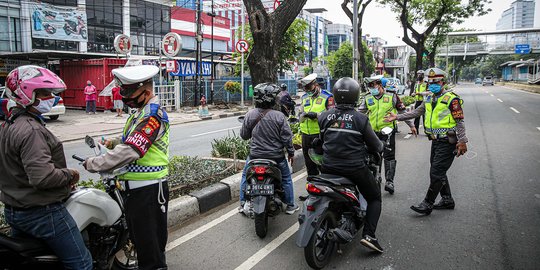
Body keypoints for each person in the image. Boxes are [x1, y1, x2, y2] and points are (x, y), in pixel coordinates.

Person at [0, 65, 93, 269]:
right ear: (26, 94)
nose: (51, 97)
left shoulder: (9, 124)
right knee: (82, 262)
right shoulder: (32, 130)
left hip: (15, 210)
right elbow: (42, 177)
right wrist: (70, 175)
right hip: (42, 213)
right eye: (44, 93)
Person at [83, 65, 170, 269]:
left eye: (128, 92)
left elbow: (131, 150)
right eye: (123, 91)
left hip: (148, 190)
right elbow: (128, 139)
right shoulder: (140, 113)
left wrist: (94, 164)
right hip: (135, 191)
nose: (124, 96)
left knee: (151, 249)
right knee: (142, 242)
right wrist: (111, 143)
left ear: (146, 92)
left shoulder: (152, 117)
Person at [385, 67, 468, 215]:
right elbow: (416, 112)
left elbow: (460, 121)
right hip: (435, 141)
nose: (432, 85)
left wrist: (462, 141)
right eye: (430, 83)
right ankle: (447, 199)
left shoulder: (452, 99)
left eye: (435, 82)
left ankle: (427, 203)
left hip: (448, 141)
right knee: (438, 171)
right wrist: (397, 117)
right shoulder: (429, 98)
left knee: (436, 173)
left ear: (443, 82)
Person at [318, 77, 384, 253]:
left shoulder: (324, 116)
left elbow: (323, 140)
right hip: (354, 168)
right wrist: (381, 146)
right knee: (375, 197)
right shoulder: (360, 119)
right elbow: (376, 146)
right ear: (356, 95)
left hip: (328, 167)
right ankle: (369, 235)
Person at [238, 83, 298, 215]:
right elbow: (287, 139)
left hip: (254, 156)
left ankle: (242, 204)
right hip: (276, 157)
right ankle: (290, 205)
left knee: (244, 176)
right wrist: (291, 153)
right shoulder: (279, 116)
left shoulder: (250, 114)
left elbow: (244, 136)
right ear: (273, 99)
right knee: (287, 178)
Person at [359, 75, 416, 195]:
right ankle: (373, 179)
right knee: (371, 156)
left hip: (388, 131)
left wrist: (411, 125)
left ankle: (389, 181)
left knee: (389, 157)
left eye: (372, 86)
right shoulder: (368, 97)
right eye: (369, 86)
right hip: (372, 132)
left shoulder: (392, 96)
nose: (371, 89)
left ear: (379, 85)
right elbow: (360, 113)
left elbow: (402, 112)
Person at [298, 73, 334, 176]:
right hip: (306, 136)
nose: (307, 90)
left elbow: (331, 115)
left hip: (319, 135)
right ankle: (312, 188)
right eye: (305, 88)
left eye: (309, 87)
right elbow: (300, 112)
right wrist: (300, 116)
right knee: (309, 166)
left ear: (315, 84)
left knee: (322, 165)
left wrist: (317, 115)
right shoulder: (304, 97)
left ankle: (326, 188)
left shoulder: (327, 97)